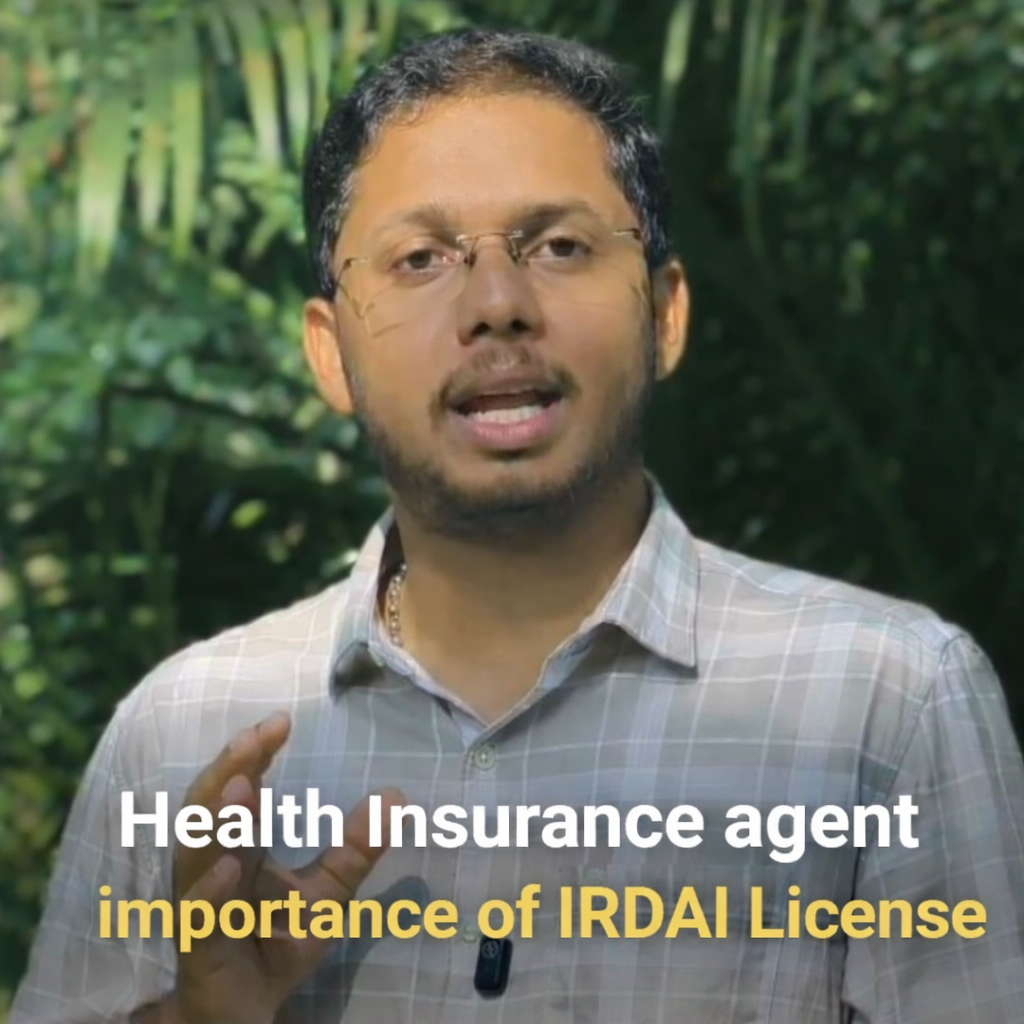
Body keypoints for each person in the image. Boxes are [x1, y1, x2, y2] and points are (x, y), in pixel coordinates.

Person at [11, 26, 1024, 1024]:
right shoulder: (181, 734)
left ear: (663, 314)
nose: (497, 303)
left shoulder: (885, 700)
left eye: (560, 246)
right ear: (329, 352)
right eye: (420, 258)